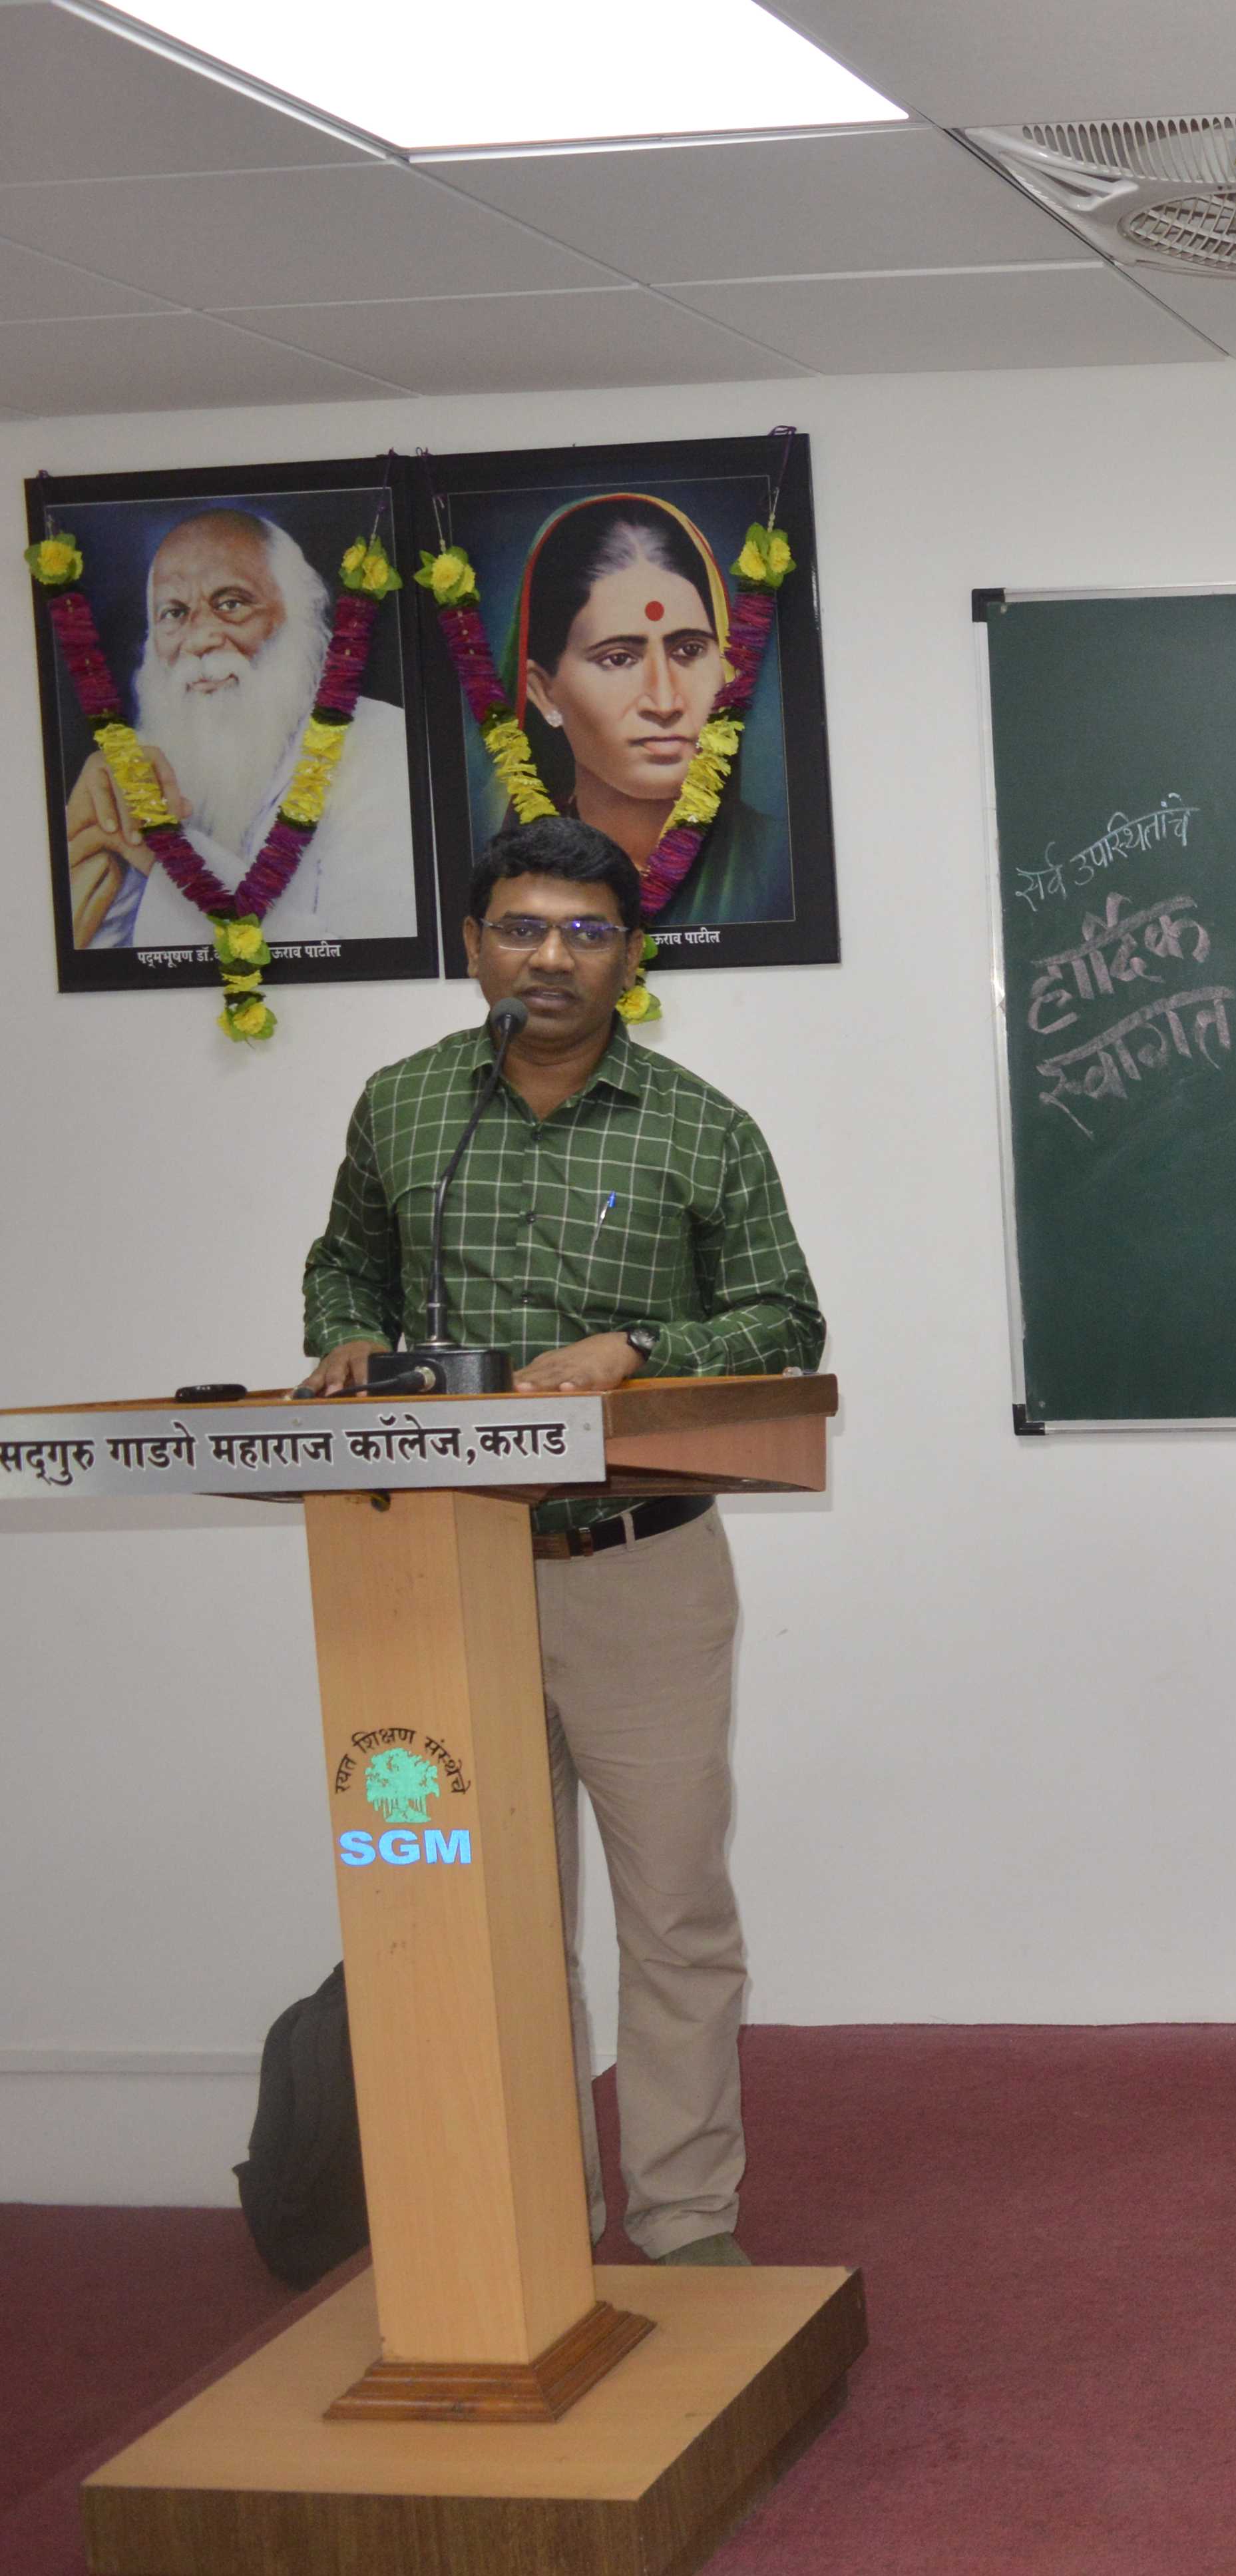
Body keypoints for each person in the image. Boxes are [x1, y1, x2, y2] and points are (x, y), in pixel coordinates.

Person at [296, 816, 825, 2266]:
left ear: (629, 956)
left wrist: (639, 1345)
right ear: (475, 945)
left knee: (673, 1909)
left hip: (636, 1565)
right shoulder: (405, 1107)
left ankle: (685, 2222)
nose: (552, 957)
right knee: (484, 1911)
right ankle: (527, 2222)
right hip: (439, 1570)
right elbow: (344, 1262)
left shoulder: (701, 1126)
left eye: (587, 932)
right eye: (523, 927)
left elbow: (786, 1318)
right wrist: (346, 1332)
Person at [63, 507, 415, 951]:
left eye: (231, 604)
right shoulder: (142, 766)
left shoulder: (378, 743)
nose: (199, 639)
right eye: (174, 612)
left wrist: (164, 849)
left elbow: (373, 960)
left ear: (297, 617)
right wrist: (86, 859)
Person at [498, 492, 791, 931]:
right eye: (619, 658)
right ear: (543, 692)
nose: (665, 702)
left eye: (689, 650)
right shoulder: (509, 883)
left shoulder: (776, 863)